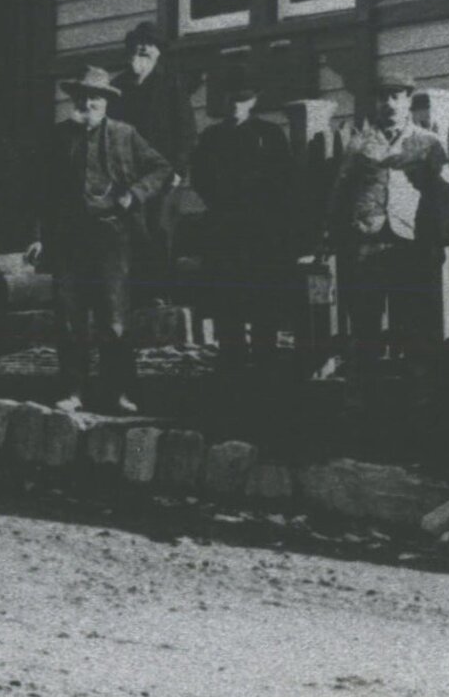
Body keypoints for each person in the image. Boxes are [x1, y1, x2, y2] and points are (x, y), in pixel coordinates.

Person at [27, 65, 173, 414]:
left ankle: (119, 391)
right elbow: (40, 191)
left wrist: (135, 194)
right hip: (68, 238)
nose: (88, 103)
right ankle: (73, 390)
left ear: (106, 102)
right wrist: (37, 237)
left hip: (112, 235)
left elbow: (161, 169)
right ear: (74, 100)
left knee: (114, 317)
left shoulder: (125, 135)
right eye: (82, 97)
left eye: (95, 97)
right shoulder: (58, 137)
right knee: (69, 317)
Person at [328, 80, 449, 369]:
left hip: (409, 241)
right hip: (367, 241)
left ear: (408, 100)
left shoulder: (427, 142)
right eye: (383, 98)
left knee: (413, 319)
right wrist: (339, 235)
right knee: (364, 319)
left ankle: (417, 390)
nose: (389, 104)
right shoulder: (359, 144)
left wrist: (439, 240)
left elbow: (444, 195)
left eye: (396, 97)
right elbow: (341, 192)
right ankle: (364, 391)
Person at [190, 76, 294, 370]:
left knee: (263, 295)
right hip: (224, 226)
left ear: (254, 100)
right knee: (227, 297)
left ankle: (265, 359)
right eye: (231, 98)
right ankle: (231, 358)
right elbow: (200, 177)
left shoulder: (269, 135)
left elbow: (283, 179)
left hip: (261, 229)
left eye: (243, 99)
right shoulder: (211, 137)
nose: (236, 104)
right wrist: (223, 200)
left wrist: (261, 203)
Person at [112, 23, 195, 293]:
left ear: (159, 53)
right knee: (130, 233)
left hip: (163, 175)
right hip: (126, 175)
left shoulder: (170, 85)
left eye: (151, 44)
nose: (145, 47)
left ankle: (160, 296)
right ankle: (132, 297)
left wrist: (178, 170)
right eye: (140, 42)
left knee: (160, 232)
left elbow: (186, 131)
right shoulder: (118, 87)